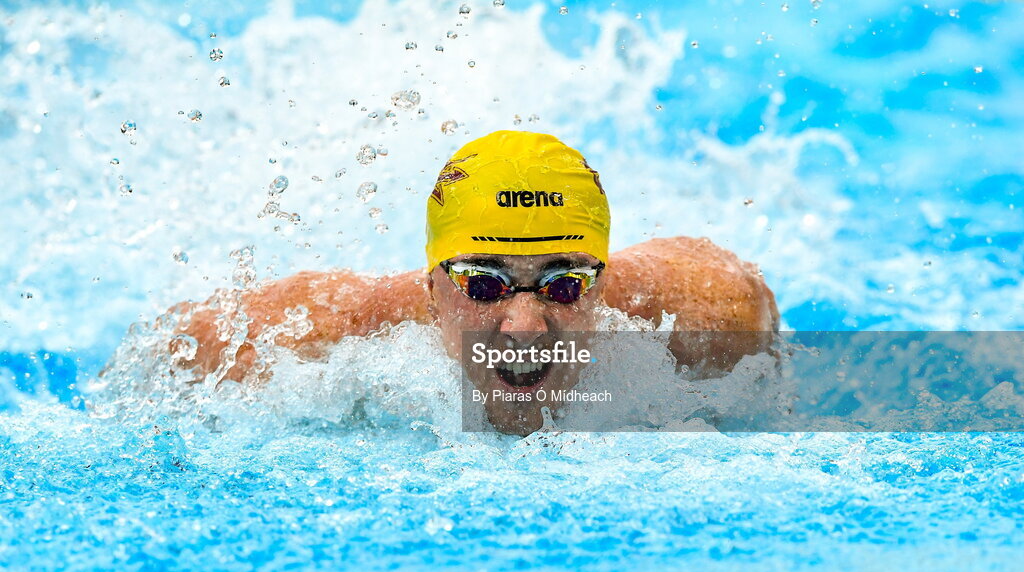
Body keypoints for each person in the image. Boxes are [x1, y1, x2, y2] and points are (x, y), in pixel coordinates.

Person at [173, 131, 779, 434]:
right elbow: (171, 352)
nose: (523, 328)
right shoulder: (319, 330)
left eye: (563, 285)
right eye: (483, 285)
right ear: (431, 288)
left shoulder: (708, 316)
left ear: (602, 284)